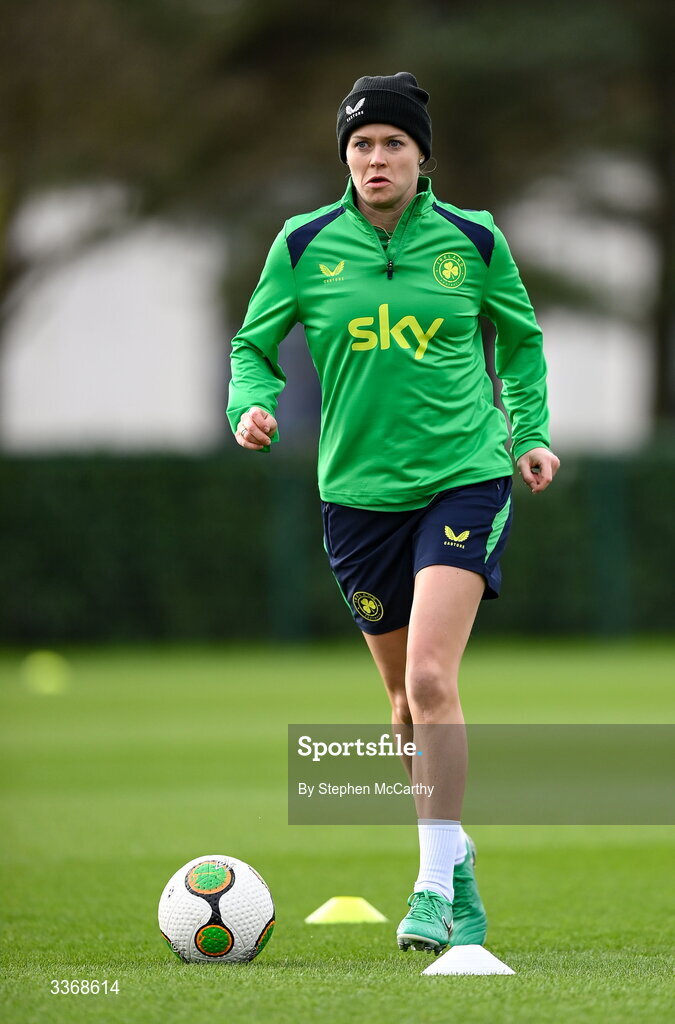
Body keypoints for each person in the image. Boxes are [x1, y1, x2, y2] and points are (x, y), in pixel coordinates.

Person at [227, 72, 560, 954]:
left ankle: (425, 891)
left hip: (464, 476)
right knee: (402, 707)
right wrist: (248, 405)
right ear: (345, 158)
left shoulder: (473, 240)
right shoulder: (302, 245)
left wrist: (528, 432)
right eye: (362, 144)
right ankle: (457, 866)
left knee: (429, 680)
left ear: (422, 157)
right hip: (355, 499)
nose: (376, 158)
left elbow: (520, 341)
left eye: (393, 144)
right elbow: (252, 346)